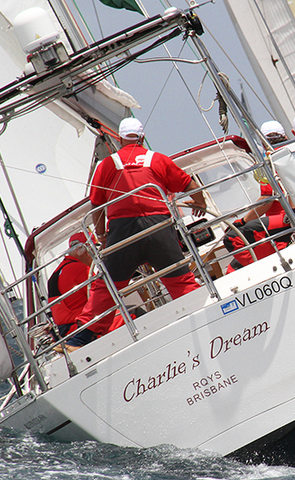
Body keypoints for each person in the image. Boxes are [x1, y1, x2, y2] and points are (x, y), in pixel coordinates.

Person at [67, 118, 207, 348]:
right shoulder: (158, 159)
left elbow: (97, 205)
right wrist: (199, 204)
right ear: (141, 138)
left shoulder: (108, 164)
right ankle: (204, 310)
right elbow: (190, 185)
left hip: (122, 232)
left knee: (108, 286)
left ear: (120, 139)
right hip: (158, 228)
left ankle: (82, 338)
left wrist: (102, 236)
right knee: (179, 279)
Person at [48, 232, 93, 337]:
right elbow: (104, 294)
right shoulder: (80, 269)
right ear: (83, 250)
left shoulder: (58, 272)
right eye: (94, 249)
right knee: (134, 313)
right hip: (80, 327)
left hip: (64, 332)